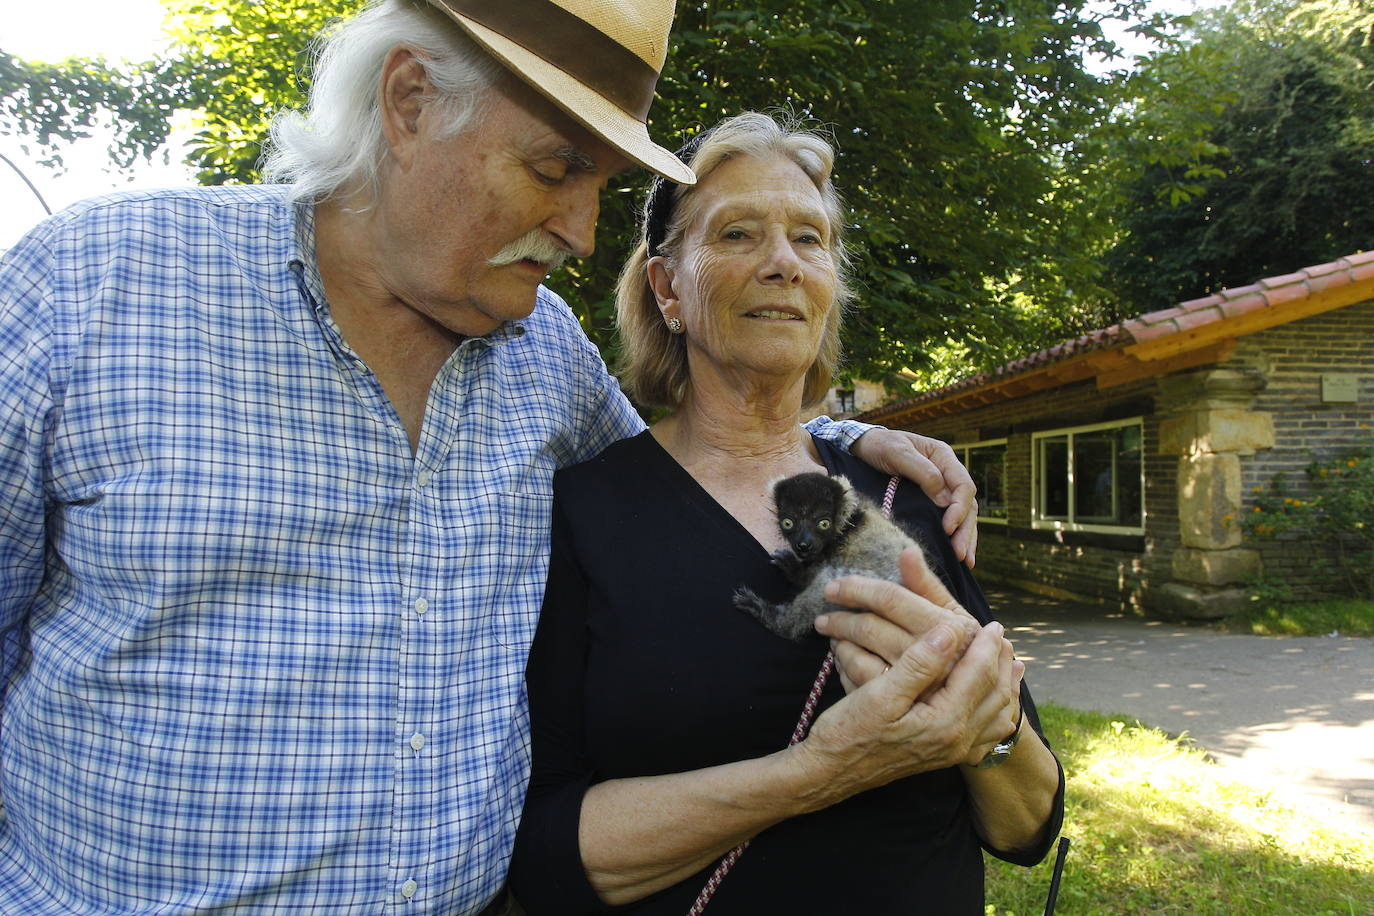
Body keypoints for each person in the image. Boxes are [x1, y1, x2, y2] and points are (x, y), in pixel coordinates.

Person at [0, 2, 979, 914]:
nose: (583, 232)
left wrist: (845, 442)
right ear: (410, 101)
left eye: (603, 185)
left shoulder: (545, 354)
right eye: (556, 169)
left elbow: (689, 482)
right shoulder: (90, 290)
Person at [509, 113, 1064, 914]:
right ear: (668, 289)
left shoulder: (904, 497)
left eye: (810, 240)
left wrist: (991, 725)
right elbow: (549, 854)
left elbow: (1028, 826)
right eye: (738, 234)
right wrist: (822, 772)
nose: (782, 264)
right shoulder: (584, 514)